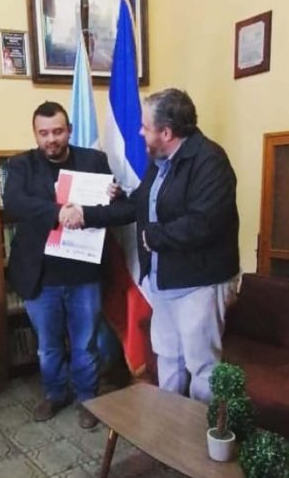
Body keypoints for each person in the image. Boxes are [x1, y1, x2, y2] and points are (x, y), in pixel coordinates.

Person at [79, 88, 240, 403]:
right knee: (167, 358)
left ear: (166, 132)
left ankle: (202, 431)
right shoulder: (161, 160)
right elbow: (140, 205)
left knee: (202, 366)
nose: (140, 132)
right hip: (163, 279)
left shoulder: (210, 160)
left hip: (200, 282)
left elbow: (203, 223)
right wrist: (87, 214)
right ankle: (169, 425)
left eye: (145, 127)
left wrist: (152, 237)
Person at [3, 101, 114, 429]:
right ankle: (55, 394)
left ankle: (88, 399)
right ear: (35, 134)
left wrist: (114, 193)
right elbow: (15, 203)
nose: (51, 139)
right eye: (44, 133)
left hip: (84, 273)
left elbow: (111, 207)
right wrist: (58, 212)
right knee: (48, 347)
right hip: (41, 275)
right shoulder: (21, 165)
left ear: (70, 130)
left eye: (58, 131)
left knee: (85, 344)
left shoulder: (94, 161)